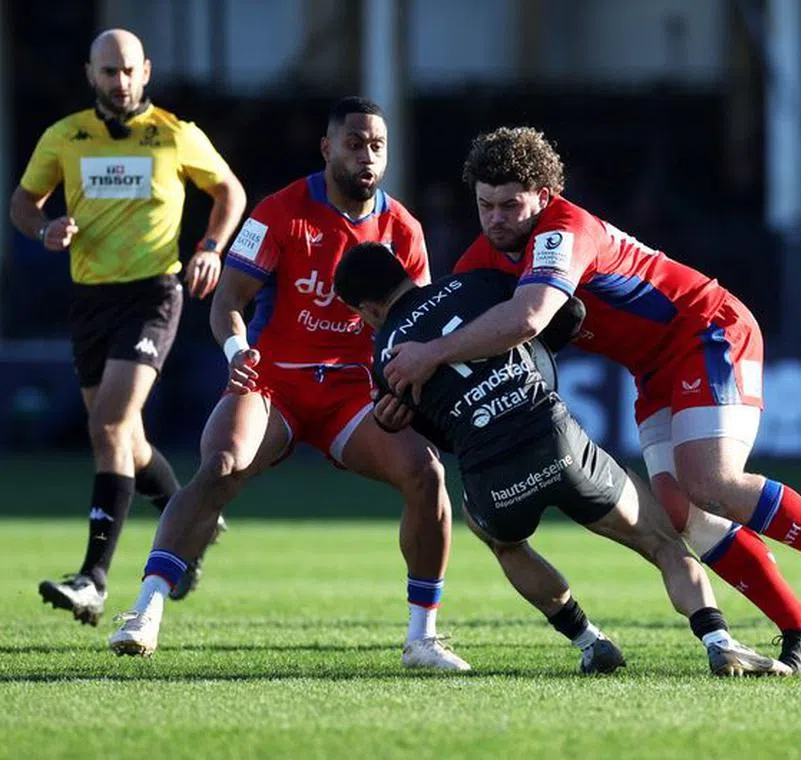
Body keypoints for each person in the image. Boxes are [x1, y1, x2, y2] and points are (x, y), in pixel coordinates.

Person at [380, 126, 801, 664]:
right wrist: (405, 402)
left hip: (707, 330)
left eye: (510, 205)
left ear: (544, 196)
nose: (495, 218)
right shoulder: (481, 262)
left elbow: (528, 316)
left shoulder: (565, 227)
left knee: (712, 482)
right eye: (485, 205)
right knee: (682, 516)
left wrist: (431, 354)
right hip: (652, 368)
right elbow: (458, 341)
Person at [107, 97, 468, 672]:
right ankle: (145, 611)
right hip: (273, 379)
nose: (367, 156)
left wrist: (406, 389)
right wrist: (237, 351)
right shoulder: (281, 211)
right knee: (221, 465)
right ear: (327, 149)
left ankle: (422, 639)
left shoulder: (404, 229)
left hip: (354, 392)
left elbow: (415, 321)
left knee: (427, 476)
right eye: (355, 144)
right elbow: (227, 302)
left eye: (377, 146)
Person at [336, 241, 795, 676]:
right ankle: (718, 641)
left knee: (501, 540)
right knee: (664, 543)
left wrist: (403, 419)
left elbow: (441, 431)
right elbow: (565, 314)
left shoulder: (386, 358)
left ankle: (589, 641)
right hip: (555, 437)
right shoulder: (477, 283)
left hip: (491, 469)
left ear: (368, 310)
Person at [8, 29, 246, 625]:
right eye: (108, 71)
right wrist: (43, 230)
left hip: (154, 295)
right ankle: (189, 513)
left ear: (147, 71)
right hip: (90, 300)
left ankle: (93, 578)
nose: (119, 82)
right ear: (91, 74)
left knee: (109, 423)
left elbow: (229, 190)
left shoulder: (174, 134)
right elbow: (22, 202)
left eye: (128, 70)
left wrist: (211, 247)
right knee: (125, 438)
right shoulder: (65, 137)